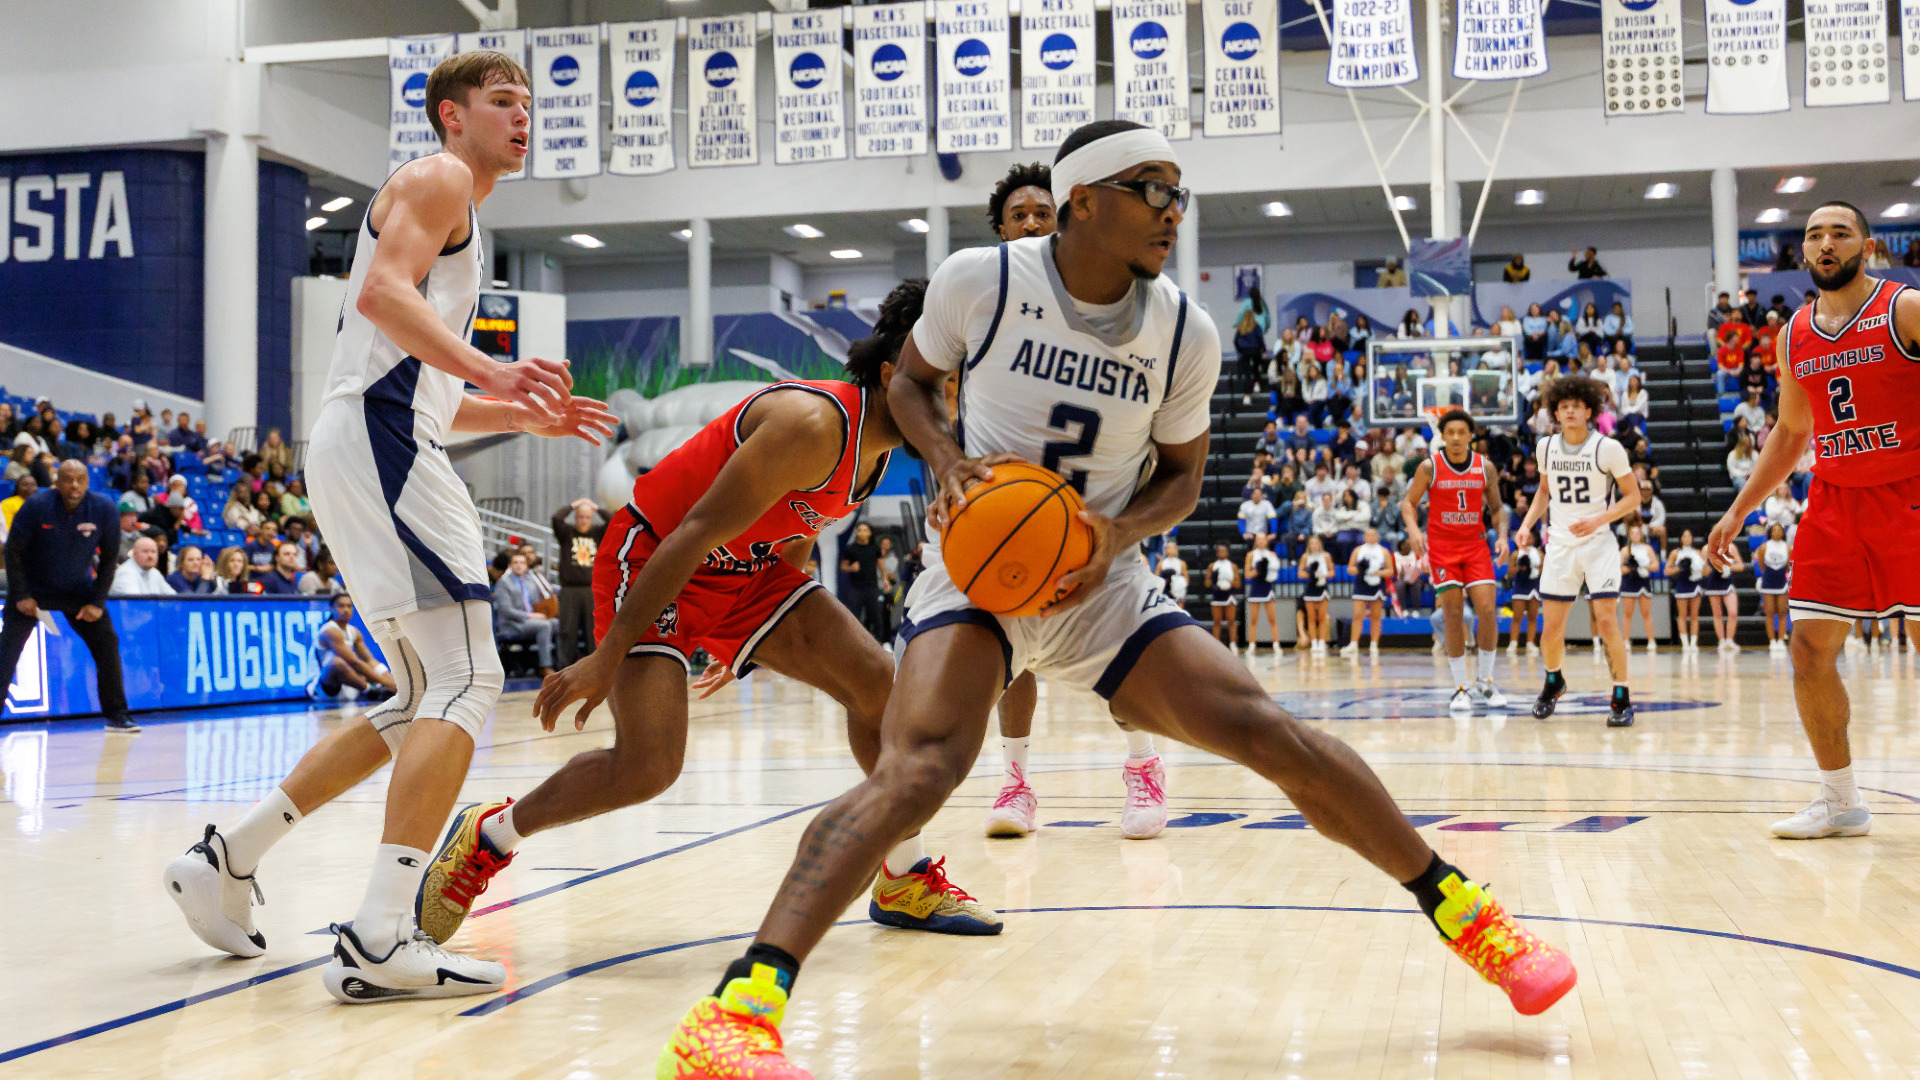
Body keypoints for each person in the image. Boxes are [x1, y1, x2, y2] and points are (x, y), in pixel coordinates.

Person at [652, 122, 1578, 1077]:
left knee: (1270, 731)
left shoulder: (1186, 329)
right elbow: (911, 385)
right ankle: (735, 1015)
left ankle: (1468, 916)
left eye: (1181, 194)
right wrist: (949, 462)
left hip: (1098, 576)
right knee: (920, 766)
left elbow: (1181, 479)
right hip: (979, 574)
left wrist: (1114, 536)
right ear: (1083, 200)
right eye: (1153, 190)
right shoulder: (984, 279)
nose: (1174, 212)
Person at [162, 51, 614, 1002]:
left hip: (374, 436)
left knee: (417, 697)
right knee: (466, 674)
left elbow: (423, 391)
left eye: (528, 103)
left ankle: (226, 859)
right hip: (378, 441)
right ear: (452, 117)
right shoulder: (439, 176)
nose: (522, 116)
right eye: (502, 102)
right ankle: (380, 932)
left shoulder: (460, 207)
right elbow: (378, 297)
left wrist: (513, 411)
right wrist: (496, 373)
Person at [449, 282, 998, 967]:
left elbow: (798, 528)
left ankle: (903, 877)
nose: (955, 409)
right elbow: (692, 533)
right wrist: (608, 656)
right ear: (895, 377)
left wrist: (751, 634)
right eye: (948, 388)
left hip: (746, 574)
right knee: (648, 767)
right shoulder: (814, 424)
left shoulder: (876, 451)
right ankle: (490, 835)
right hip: (655, 552)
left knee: (882, 690)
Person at [1704, 201, 1920, 839]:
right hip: (1833, 499)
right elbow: (1794, 429)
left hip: (1909, 493)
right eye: (1814, 235)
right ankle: (1841, 800)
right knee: (1808, 648)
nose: (1826, 243)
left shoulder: (1904, 308)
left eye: (1840, 233)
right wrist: (1740, 507)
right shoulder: (1794, 331)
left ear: (1868, 246)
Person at [1517, 375, 1641, 727]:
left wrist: (1599, 519)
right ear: (1556, 412)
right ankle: (1554, 678)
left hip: (1599, 543)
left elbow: (1633, 497)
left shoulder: (1608, 448)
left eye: (1576, 406)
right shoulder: (1546, 447)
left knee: (1605, 620)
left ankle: (1621, 694)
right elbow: (1544, 491)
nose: (1570, 412)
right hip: (1559, 543)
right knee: (1551, 629)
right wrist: (1527, 524)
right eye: (1563, 407)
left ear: (1589, 410)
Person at [0, 461, 136, 731]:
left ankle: (117, 714)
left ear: (87, 482)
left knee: (107, 643)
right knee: (6, 651)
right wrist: (22, 595)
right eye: (67, 479)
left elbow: (109, 560)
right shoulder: (37, 506)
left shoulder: (104, 510)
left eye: (80, 479)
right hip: (34, 589)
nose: (74, 485)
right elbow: (12, 553)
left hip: (78, 590)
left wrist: (97, 602)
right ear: (57, 482)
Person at [1401, 409, 1509, 709]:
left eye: (1462, 432)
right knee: (1452, 611)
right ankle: (1460, 687)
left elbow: (1498, 509)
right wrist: (1413, 531)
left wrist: (1501, 536)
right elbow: (1408, 504)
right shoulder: (1429, 467)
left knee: (1487, 607)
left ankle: (1485, 683)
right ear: (1443, 436)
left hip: (1475, 545)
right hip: (1443, 546)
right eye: (1451, 432)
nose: (1457, 438)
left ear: (1471, 435)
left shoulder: (1484, 467)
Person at [550, 498, 606, 666]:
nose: (583, 520)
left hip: (592, 590)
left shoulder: (597, 533)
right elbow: (556, 519)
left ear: (591, 518)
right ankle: (564, 668)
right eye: (580, 516)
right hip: (570, 590)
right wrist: (573, 505)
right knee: (567, 631)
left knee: (594, 631)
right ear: (575, 518)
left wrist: (596, 508)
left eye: (587, 517)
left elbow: (613, 521)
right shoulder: (567, 533)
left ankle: (595, 669)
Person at [310, 593, 398, 700]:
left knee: (372, 666)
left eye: (349, 606)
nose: (346, 609)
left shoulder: (354, 631)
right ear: (332, 609)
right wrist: (386, 683)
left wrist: (393, 682)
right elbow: (354, 662)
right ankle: (371, 690)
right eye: (341, 606)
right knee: (337, 662)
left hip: (349, 683)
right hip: (324, 688)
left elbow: (370, 660)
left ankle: (386, 689)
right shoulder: (330, 631)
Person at [492, 549, 556, 675]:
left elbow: (537, 603)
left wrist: (543, 614)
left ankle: (560, 662)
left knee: (557, 623)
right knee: (545, 626)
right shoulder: (503, 583)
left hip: (531, 621)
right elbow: (506, 611)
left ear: (526, 566)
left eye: (522, 562)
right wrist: (530, 616)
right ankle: (545, 666)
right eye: (515, 562)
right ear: (510, 566)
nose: (519, 565)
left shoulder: (530, 582)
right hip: (512, 623)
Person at [1343, 527, 1393, 657]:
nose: (1371, 537)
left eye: (1373, 535)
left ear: (1377, 537)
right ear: (1364, 537)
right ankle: (1354, 644)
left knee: (1376, 616)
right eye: (1368, 535)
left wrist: (1378, 572)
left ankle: (1374, 645)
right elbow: (1350, 568)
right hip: (1361, 584)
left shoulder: (1384, 551)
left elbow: (1390, 570)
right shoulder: (1358, 550)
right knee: (1357, 615)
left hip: (1377, 585)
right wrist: (1362, 570)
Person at [837, 522, 886, 641]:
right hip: (856, 589)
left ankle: (879, 643)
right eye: (859, 530)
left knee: (876, 617)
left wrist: (885, 579)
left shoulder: (874, 548)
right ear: (856, 532)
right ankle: (854, 642)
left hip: (872, 587)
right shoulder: (851, 549)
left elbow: (881, 566)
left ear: (869, 533)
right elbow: (843, 567)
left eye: (865, 530)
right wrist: (851, 568)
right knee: (855, 617)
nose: (862, 533)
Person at [1617, 523, 1658, 652]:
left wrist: (1644, 566)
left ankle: (1651, 640)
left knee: (1646, 613)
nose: (1635, 535)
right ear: (1629, 535)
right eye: (1632, 533)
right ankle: (1626, 640)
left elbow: (1655, 565)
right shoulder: (1625, 550)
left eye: (1637, 533)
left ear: (1641, 535)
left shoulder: (1647, 548)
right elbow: (1618, 568)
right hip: (1629, 582)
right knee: (1627, 614)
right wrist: (1630, 568)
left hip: (1643, 582)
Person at [1666, 531, 1706, 652]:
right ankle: (1685, 643)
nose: (1687, 538)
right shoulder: (1675, 553)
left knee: (1694, 615)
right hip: (1682, 584)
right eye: (1684, 536)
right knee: (1682, 615)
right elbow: (1667, 570)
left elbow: (1706, 571)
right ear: (1681, 538)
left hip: (1695, 584)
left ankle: (1693, 643)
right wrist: (1680, 568)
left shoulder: (1698, 553)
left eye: (1689, 536)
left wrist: (1697, 569)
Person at [1756, 522, 1792, 652]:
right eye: (1774, 530)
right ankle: (1772, 641)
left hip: (1781, 582)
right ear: (1770, 532)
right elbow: (1761, 566)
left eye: (1779, 530)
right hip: (1768, 581)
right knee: (1769, 612)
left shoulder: (1788, 548)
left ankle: (1781, 640)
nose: (1777, 532)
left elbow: (1789, 567)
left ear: (1783, 533)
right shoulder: (1764, 547)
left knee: (1782, 612)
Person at [1244, 532, 1282, 653]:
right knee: (1253, 620)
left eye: (1263, 539)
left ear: (1266, 541)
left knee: (1272, 619)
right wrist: (1257, 571)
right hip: (1256, 588)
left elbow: (1275, 572)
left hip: (1267, 587)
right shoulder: (1250, 555)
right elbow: (1247, 574)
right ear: (1255, 541)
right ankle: (1251, 645)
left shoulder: (1272, 554)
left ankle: (1276, 644)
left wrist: (1267, 570)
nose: (1261, 541)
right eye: (1258, 539)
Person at [1508, 528, 1543, 653]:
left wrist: (1533, 570)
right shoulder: (1515, 555)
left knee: (1532, 617)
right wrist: (1520, 567)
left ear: (1533, 539)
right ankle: (1513, 644)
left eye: (1529, 537)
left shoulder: (1539, 554)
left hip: (1534, 586)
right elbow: (1510, 573)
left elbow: (1543, 571)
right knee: (1517, 617)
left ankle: (1530, 643)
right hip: (1520, 587)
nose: (1527, 540)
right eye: (1524, 537)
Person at [1298, 534, 1332, 653]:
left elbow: (1332, 572)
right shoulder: (1305, 557)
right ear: (1308, 545)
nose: (1314, 546)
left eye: (1316, 543)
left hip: (1322, 588)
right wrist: (1311, 575)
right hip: (1310, 588)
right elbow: (1300, 573)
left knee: (1322, 617)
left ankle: (1322, 642)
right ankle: (1314, 643)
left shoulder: (1326, 556)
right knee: (1311, 618)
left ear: (1320, 544)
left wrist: (1323, 575)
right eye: (1312, 543)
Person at [1205, 543, 1240, 650]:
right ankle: (1216, 644)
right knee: (1217, 621)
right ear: (1216, 553)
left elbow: (1238, 584)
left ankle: (1233, 643)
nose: (1222, 553)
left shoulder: (1232, 566)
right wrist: (1213, 579)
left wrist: (1229, 582)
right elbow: (1207, 584)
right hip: (1217, 594)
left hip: (1229, 594)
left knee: (1231, 620)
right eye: (1220, 551)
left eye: (1224, 551)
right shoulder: (1212, 566)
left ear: (1227, 553)